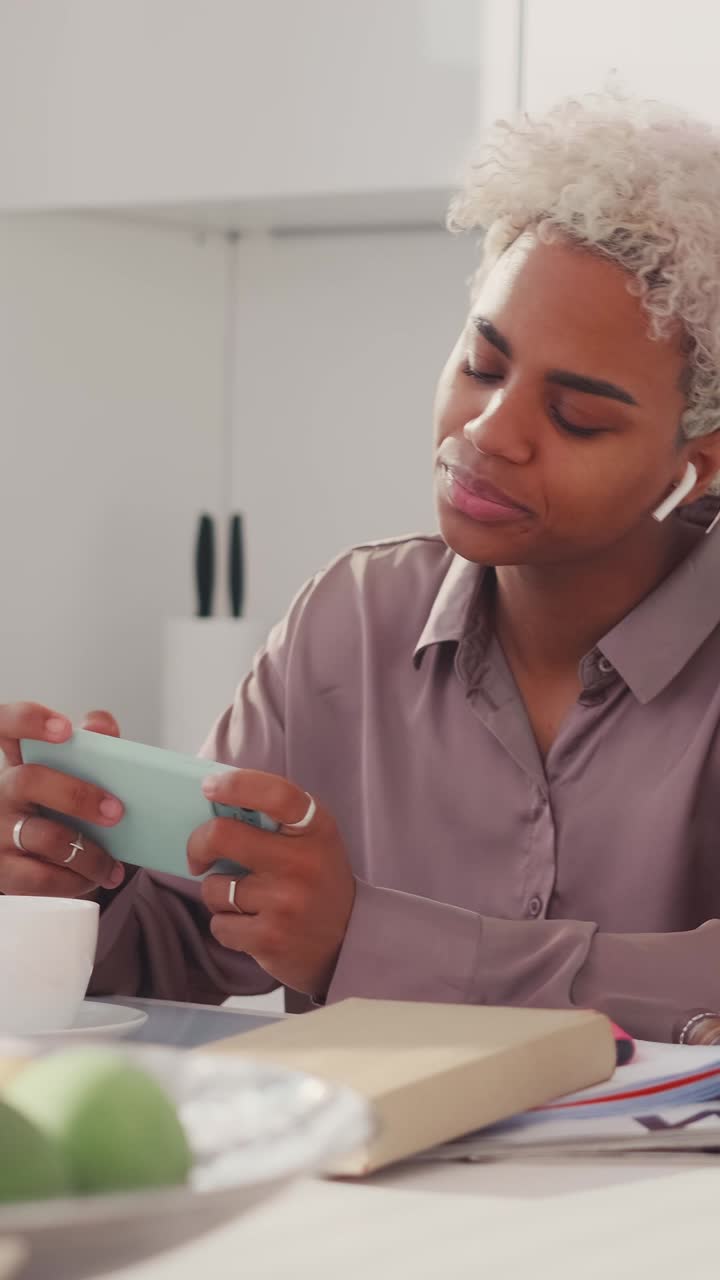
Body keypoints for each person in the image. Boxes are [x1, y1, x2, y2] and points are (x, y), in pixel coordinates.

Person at [4, 89, 720, 1044]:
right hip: (371, 1188)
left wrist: (364, 939)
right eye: (483, 363)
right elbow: (181, 938)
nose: (489, 432)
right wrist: (62, 882)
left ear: (698, 459)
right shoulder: (351, 619)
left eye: (576, 416)